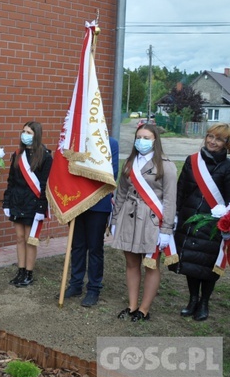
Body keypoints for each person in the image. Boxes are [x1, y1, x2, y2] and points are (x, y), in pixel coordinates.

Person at [111, 123, 177, 322]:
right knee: (131, 263)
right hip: (128, 218)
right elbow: (121, 192)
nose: (141, 141)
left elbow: (170, 200)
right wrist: (114, 219)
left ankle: (144, 309)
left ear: (155, 140)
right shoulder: (130, 163)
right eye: (139, 137)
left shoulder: (166, 165)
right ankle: (131, 306)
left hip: (151, 221)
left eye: (146, 138)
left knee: (151, 265)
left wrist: (166, 229)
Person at [168, 123, 230, 321]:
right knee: (191, 262)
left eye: (218, 139)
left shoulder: (228, 167)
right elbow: (181, 189)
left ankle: (204, 302)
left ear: (226, 144)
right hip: (189, 219)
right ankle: (193, 299)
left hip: (213, 225)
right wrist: (175, 214)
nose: (212, 141)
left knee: (208, 264)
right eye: (210, 136)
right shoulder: (192, 161)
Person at [64, 136, 119, 307]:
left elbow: (112, 173)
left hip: (98, 204)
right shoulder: (76, 140)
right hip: (77, 202)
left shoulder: (111, 143)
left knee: (95, 247)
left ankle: (94, 288)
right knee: (78, 245)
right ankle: (76, 284)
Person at [3, 121, 53, 287]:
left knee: (30, 239)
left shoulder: (45, 156)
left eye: (29, 132)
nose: (25, 135)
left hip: (34, 204)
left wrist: (42, 206)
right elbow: (11, 181)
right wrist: (7, 202)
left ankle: (29, 274)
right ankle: (21, 270)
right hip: (18, 201)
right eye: (23, 131)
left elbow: (46, 184)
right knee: (19, 238)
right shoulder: (18, 154)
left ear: (36, 135)